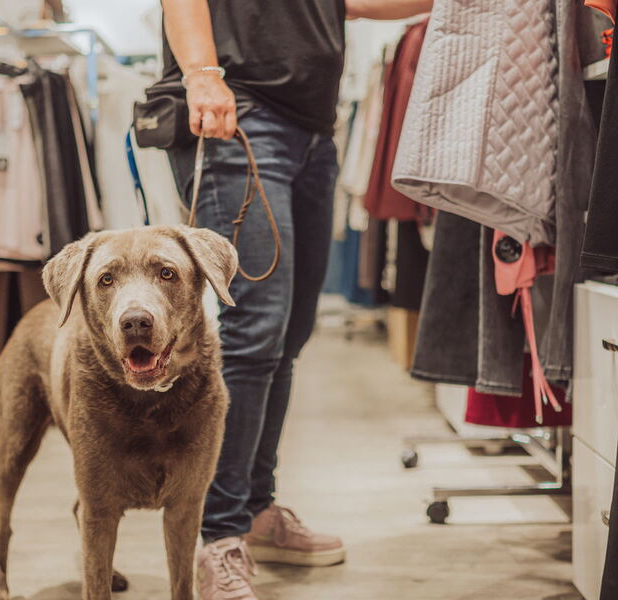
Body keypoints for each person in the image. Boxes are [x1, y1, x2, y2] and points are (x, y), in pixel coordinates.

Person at [156, 1, 434, 598]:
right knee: (255, 333)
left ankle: (255, 510)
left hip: (311, 130)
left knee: (287, 335)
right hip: (243, 116)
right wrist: (202, 71)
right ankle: (217, 536)